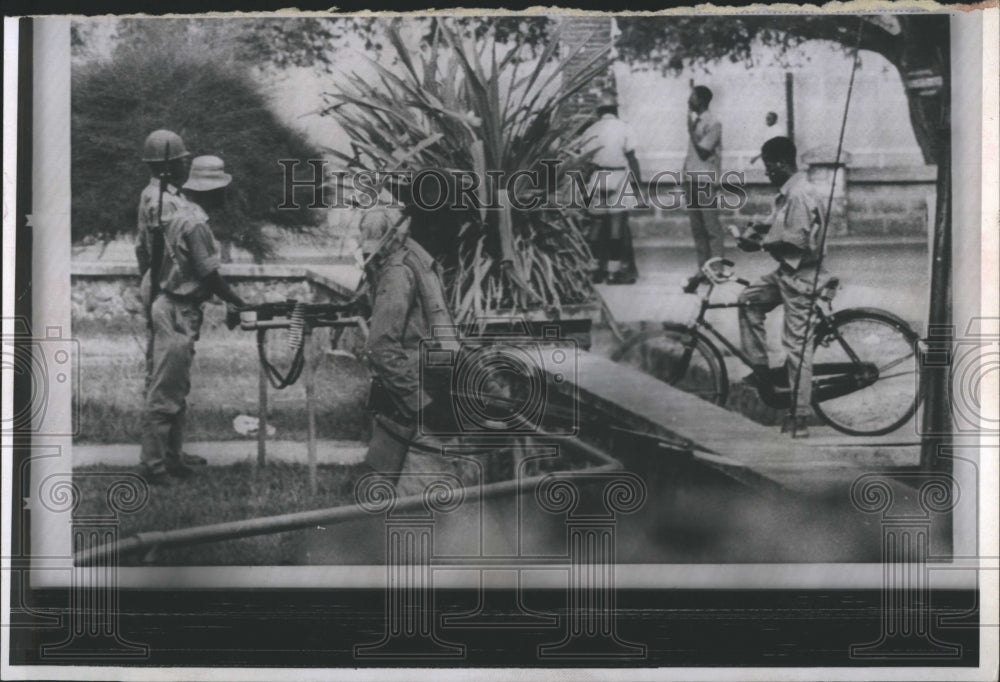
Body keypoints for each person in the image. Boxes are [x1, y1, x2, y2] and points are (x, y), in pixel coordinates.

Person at [139, 154, 247, 484]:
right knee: (165, 393)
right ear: (211, 190)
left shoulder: (180, 212)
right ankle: (154, 467)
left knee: (176, 387)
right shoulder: (195, 222)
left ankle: (172, 458)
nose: (224, 195)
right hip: (177, 308)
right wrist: (239, 302)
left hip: (171, 305)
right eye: (221, 189)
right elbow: (210, 275)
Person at [358, 203, 471, 497]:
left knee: (437, 507)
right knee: (417, 509)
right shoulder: (401, 271)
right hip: (416, 413)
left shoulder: (427, 268)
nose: (460, 232)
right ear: (434, 224)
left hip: (435, 404)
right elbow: (380, 347)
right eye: (455, 221)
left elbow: (443, 339)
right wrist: (422, 405)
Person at [736, 136, 830, 438]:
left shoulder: (799, 194)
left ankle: (800, 415)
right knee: (749, 300)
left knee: (796, 346)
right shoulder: (789, 192)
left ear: (779, 164)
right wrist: (755, 230)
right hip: (785, 273)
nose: (767, 173)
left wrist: (761, 243)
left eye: (767, 167)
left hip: (802, 276)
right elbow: (776, 220)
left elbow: (797, 240)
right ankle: (762, 371)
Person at [578, 93, 642, 285]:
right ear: (615, 110)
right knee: (617, 228)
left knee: (596, 226)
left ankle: (595, 269)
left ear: (599, 111)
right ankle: (614, 271)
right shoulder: (624, 128)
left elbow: (584, 163)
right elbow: (632, 158)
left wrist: (582, 189)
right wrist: (637, 186)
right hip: (619, 176)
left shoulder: (590, 131)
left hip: (598, 176)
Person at [682, 85, 724, 294]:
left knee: (711, 228)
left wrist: (690, 131)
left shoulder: (713, 123)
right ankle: (703, 270)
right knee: (697, 229)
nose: (689, 99)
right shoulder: (697, 121)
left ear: (700, 99)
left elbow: (705, 151)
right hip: (691, 180)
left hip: (705, 180)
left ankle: (716, 269)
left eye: (692, 96)